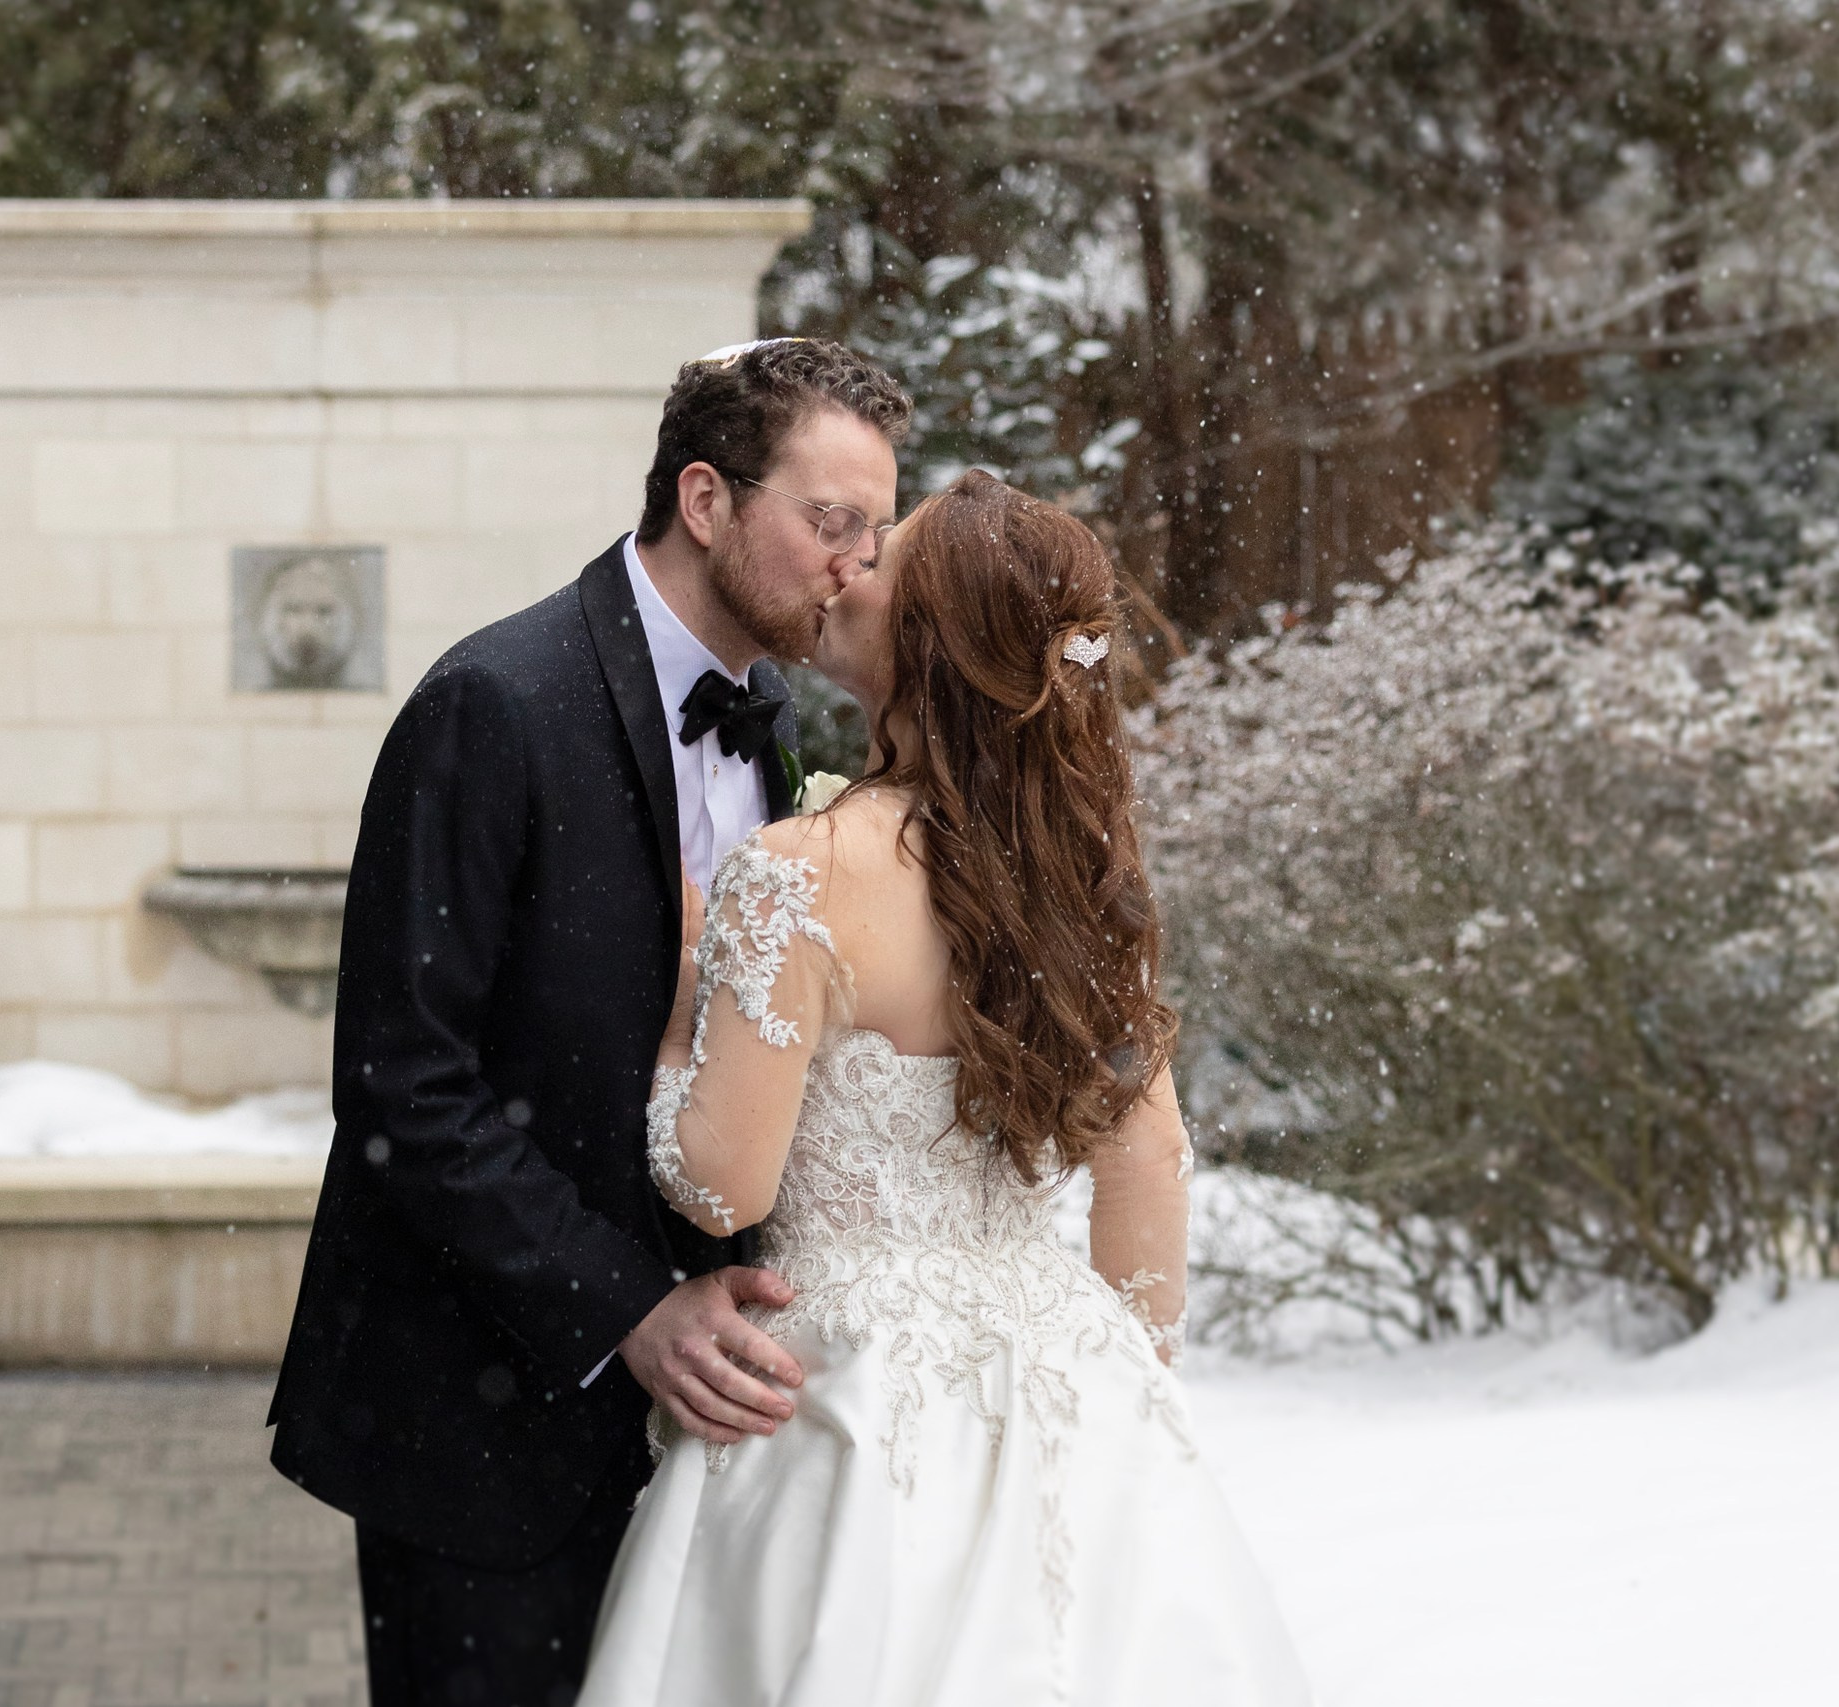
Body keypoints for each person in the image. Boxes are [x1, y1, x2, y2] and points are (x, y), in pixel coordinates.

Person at [575, 469, 1313, 1705]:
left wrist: (676, 1020)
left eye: (884, 559)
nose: (849, 565)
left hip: (844, 1406)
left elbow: (717, 1186)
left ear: (929, 643)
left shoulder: (800, 871)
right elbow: (1147, 1176)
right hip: (1067, 1381)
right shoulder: (1086, 878)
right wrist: (1112, 1401)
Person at [268, 337, 912, 1707]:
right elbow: (402, 1086)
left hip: (715, 1444)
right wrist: (627, 1307)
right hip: (480, 1422)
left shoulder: (785, 719)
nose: (857, 563)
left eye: (875, 529)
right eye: (830, 520)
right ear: (705, 498)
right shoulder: (490, 703)